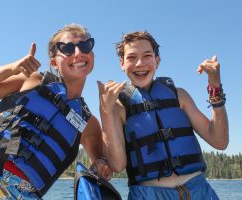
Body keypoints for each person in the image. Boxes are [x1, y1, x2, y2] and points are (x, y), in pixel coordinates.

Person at [0, 23, 112, 199]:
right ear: (54, 62)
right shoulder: (31, 80)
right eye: (67, 48)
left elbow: (103, 169)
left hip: (18, 192)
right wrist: (12, 68)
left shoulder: (89, 124)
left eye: (85, 46)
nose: (78, 53)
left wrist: (102, 160)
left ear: (92, 53)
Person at [97, 31, 228, 200]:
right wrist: (105, 111)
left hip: (199, 191)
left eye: (147, 56)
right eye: (131, 57)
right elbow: (117, 164)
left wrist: (215, 87)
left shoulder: (179, 95)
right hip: (148, 195)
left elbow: (219, 141)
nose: (140, 63)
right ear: (122, 63)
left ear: (156, 61)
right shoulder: (117, 107)